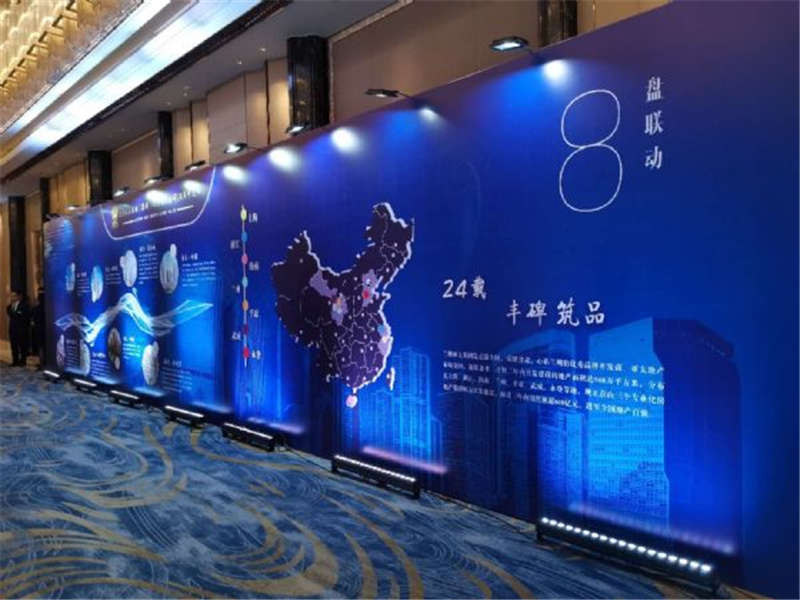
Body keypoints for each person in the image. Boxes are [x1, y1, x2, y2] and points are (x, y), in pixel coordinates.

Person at [6, 290, 30, 367]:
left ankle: (23, 361)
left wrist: (16, 313)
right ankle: (15, 361)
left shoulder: (24, 305)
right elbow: (10, 313)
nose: (12, 297)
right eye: (12, 296)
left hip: (22, 329)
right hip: (13, 329)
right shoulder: (10, 306)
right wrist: (15, 312)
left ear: (19, 296)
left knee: (22, 346)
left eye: (14, 296)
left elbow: (23, 316)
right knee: (14, 346)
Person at [31, 287, 45, 369]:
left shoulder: (37, 308)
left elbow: (33, 318)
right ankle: (44, 363)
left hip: (39, 329)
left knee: (41, 347)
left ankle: (42, 363)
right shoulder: (49, 306)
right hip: (47, 329)